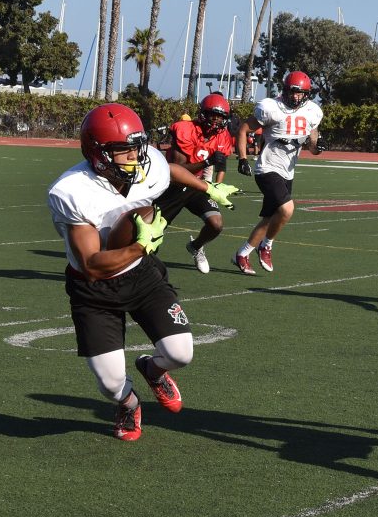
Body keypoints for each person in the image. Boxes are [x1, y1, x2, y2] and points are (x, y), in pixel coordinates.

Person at [47, 102, 237, 441]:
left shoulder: (146, 162)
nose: (136, 156)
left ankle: (152, 368)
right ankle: (129, 403)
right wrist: (140, 246)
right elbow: (92, 265)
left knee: (181, 353)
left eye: (137, 147)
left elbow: (170, 169)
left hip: (141, 275)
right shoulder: (73, 191)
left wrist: (208, 189)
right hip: (95, 290)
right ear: (99, 153)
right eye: (124, 150)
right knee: (110, 383)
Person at [233, 71, 325, 275]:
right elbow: (242, 130)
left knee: (270, 218)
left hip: (287, 171)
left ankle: (242, 253)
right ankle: (266, 246)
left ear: (306, 94)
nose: (295, 97)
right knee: (287, 209)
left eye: (300, 93)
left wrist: (318, 147)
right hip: (267, 167)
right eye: (292, 92)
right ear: (284, 90)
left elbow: (313, 145)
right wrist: (241, 158)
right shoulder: (270, 107)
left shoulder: (312, 111)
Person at [155, 94, 238, 274]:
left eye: (221, 117)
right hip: (171, 187)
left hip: (195, 185)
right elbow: (178, 170)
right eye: (213, 115)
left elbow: (221, 161)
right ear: (203, 114)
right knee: (152, 236)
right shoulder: (186, 129)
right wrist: (206, 162)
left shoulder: (222, 136)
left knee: (216, 224)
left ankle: (196, 246)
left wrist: (217, 184)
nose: (217, 121)